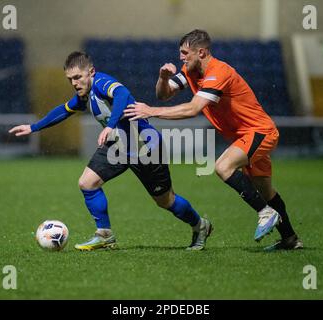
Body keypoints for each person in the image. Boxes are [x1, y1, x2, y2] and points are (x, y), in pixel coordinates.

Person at [9, 51, 212, 251]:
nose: (74, 83)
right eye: (70, 79)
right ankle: (104, 235)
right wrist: (33, 127)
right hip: (118, 146)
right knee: (87, 183)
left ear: (91, 72)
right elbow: (64, 110)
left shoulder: (101, 82)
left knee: (166, 201)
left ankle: (200, 226)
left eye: (78, 77)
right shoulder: (84, 95)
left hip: (145, 147)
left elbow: (122, 93)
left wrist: (110, 125)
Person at [124, 29, 303, 251]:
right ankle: (290, 239)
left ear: (201, 52)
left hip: (260, 132)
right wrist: (163, 78)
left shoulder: (219, 72)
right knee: (266, 192)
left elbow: (193, 108)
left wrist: (151, 111)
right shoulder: (190, 71)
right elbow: (164, 94)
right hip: (245, 136)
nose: (181, 57)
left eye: (184, 53)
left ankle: (265, 212)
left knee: (222, 166)